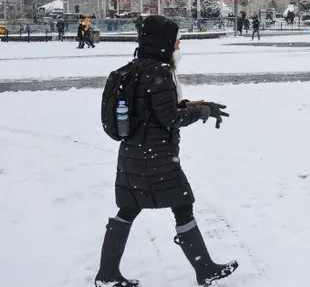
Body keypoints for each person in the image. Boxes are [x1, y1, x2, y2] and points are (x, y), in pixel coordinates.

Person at [94, 15, 237, 287]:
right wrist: (202, 111)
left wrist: (200, 105)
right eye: (176, 40)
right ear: (163, 43)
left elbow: (154, 110)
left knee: (128, 208)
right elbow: (170, 118)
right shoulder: (159, 72)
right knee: (183, 205)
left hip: (133, 155)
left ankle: (107, 273)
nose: (179, 45)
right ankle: (204, 269)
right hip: (157, 157)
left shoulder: (135, 69)